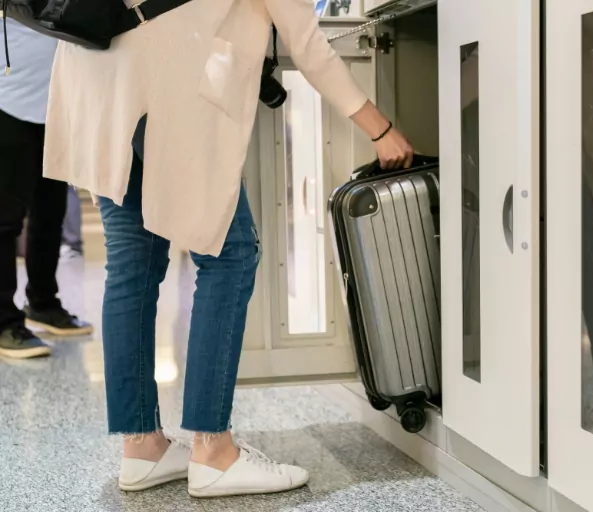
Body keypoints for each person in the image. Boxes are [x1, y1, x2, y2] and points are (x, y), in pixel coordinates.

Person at [41, 0, 414, 498]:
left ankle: (142, 447)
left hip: (97, 73)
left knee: (132, 263)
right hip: (164, 79)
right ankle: (214, 451)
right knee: (230, 255)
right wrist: (380, 129)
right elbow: (307, 41)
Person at [0, 19, 93, 360]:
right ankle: (4, 322)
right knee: (5, 219)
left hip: (56, 101)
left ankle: (42, 302)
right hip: (8, 99)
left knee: (51, 211)